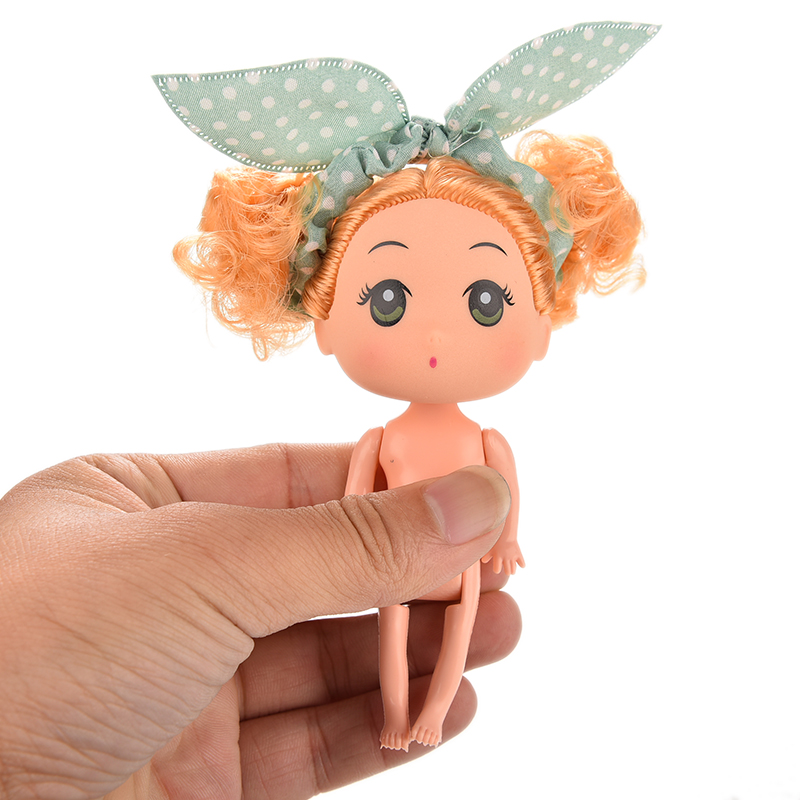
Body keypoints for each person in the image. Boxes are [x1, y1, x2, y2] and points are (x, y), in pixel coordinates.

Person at [0, 443, 519, 799]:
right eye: (387, 315)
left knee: (461, 630)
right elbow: (357, 493)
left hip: (464, 569)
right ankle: (397, 718)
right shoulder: (380, 439)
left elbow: (508, 484)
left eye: (485, 314)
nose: (435, 340)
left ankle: (431, 714)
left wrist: (509, 538)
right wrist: (359, 534)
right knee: (393, 632)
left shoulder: (486, 439)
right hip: (411, 576)